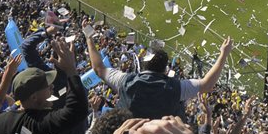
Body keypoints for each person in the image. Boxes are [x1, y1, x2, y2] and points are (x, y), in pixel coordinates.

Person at [86, 35, 231, 120]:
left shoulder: (125, 81)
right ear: (166, 69)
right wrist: (223, 54)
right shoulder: (176, 88)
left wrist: (89, 38)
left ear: (143, 65)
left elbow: (99, 68)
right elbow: (206, 84)